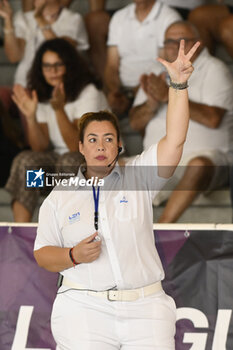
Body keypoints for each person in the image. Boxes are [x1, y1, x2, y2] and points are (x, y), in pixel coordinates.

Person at [33, 39, 200, 349]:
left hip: (146, 308)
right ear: (80, 147)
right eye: (92, 139)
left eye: (108, 138)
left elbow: (175, 140)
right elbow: (42, 253)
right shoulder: (60, 195)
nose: (100, 145)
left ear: (119, 145)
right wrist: (72, 256)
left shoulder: (140, 176)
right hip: (83, 309)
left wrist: (178, 85)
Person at [130, 20, 233, 223]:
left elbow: (213, 119)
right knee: (105, 168)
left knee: (199, 165)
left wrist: (169, 94)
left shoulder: (215, 69)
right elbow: (134, 124)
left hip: (204, 160)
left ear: (199, 43)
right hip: (157, 160)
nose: (178, 46)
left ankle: (162, 228)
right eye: (170, 41)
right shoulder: (156, 69)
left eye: (184, 41)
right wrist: (151, 104)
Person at [5, 38, 109, 222]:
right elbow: (40, 148)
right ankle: (20, 232)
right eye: (46, 66)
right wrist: (31, 117)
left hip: (95, 164)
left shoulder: (88, 92)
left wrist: (59, 109)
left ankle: (72, 228)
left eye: (58, 65)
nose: (52, 72)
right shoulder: (43, 94)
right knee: (26, 160)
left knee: (68, 161)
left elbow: (78, 147)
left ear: (70, 66)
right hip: (57, 170)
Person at [104, 0, 181, 156]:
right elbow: (112, 65)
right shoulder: (119, 17)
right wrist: (115, 92)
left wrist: (131, 95)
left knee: (150, 110)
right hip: (122, 90)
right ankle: (114, 161)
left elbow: (161, 65)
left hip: (152, 86)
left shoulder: (168, 16)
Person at [0, 0, 89, 87]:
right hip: (25, 85)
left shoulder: (73, 19)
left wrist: (40, 19)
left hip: (60, 85)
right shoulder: (23, 18)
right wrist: (8, 20)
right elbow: (14, 57)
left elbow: (62, 52)